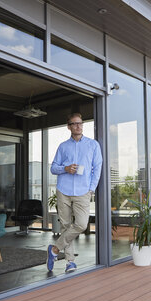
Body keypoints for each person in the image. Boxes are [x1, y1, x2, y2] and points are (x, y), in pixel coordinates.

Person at [46, 113, 102, 273]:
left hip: (83, 191)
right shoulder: (63, 146)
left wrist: (91, 189)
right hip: (63, 189)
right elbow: (53, 168)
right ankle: (70, 262)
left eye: (80, 123)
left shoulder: (93, 145)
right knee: (65, 226)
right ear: (69, 126)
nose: (78, 126)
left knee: (81, 224)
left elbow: (97, 168)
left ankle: (54, 250)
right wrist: (65, 168)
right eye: (74, 124)